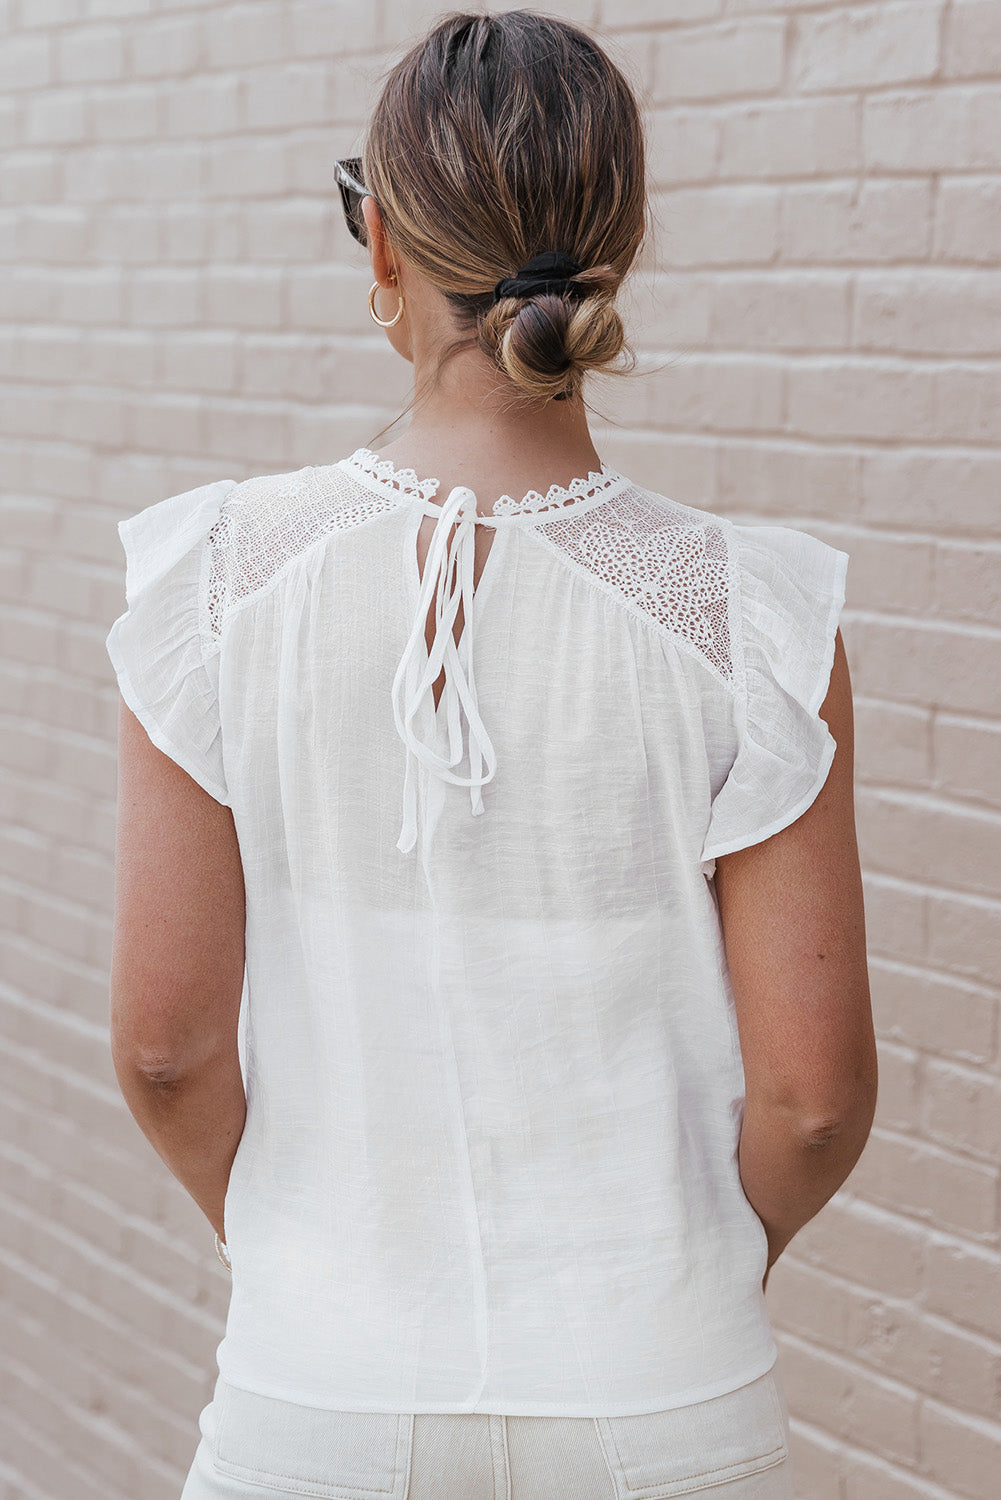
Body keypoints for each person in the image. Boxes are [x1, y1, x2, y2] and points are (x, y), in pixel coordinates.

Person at [105, 10, 877, 1499]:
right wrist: (688, 1281)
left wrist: (297, 1254)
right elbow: (815, 1098)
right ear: (623, 246)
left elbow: (166, 1050)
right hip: (662, 1397)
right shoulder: (755, 618)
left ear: (380, 244)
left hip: (311, 1389)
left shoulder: (206, 582)